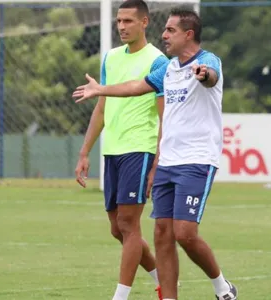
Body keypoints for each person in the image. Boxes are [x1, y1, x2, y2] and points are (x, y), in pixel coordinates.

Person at [72, 7, 238, 300]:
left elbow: (210, 76)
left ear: (188, 35)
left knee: (185, 233)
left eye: (170, 30)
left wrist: (203, 74)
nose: (164, 35)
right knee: (162, 233)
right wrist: (101, 90)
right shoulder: (169, 69)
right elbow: (137, 86)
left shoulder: (208, 61)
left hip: (197, 160)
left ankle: (222, 287)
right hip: (169, 162)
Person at [74, 0, 169, 299]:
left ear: (144, 22)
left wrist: (156, 162)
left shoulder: (158, 62)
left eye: (128, 21)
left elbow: (165, 116)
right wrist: (84, 152)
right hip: (112, 151)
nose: (122, 27)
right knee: (118, 229)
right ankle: (165, 282)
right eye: (119, 21)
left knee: (129, 223)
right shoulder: (111, 58)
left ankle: (120, 296)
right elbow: (102, 107)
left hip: (139, 149)